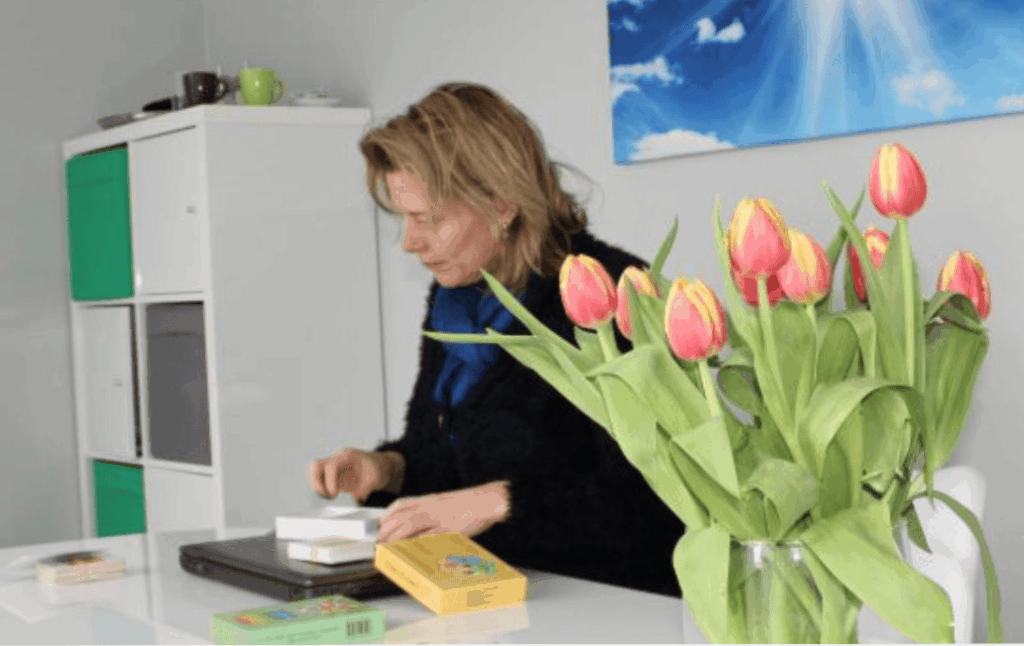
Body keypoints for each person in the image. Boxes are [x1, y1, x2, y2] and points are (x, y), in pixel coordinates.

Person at [307, 82, 685, 597]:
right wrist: (385, 469)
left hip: (608, 608)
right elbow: (440, 463)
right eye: (403, 218)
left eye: (426, 219)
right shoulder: (457, 302)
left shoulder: (615, 295)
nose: (409, 242)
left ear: (502, 205)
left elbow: (656, 506)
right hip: (487, 598)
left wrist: (497, 502)